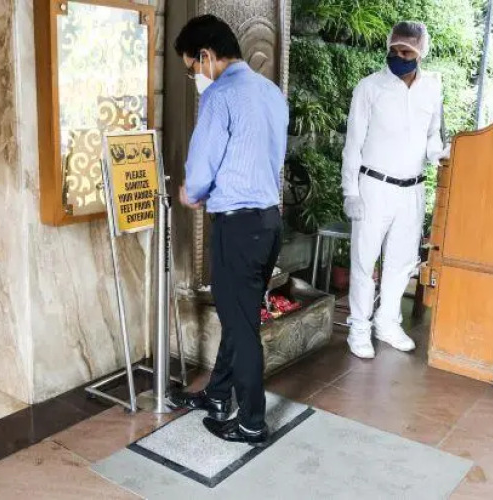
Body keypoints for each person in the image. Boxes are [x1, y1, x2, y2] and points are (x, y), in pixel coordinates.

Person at [168, 15, 289, 446]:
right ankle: (218, 396)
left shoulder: (219, 96)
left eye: (192, 67)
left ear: (206, 55)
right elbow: (267, 156)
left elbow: (202, 167)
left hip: (237, 226)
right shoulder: (271, 92)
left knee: (241, 326)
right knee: (241, 316)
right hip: (269, 221)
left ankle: (252, 423)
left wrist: (192, 191)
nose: (195, 76)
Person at [342, 21, 449, 359]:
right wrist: (350, 192)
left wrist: (440, 154)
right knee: (364, 261)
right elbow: (353, 144)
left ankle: (387, 323)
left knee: (401, 263)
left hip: (413, 189)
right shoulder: (369, 88)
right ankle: (359, 328)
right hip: (374, 186)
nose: (398, 57)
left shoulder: (432, 88)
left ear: (421, 53)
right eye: (394, 50)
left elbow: (432, 136)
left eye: (406, 52)